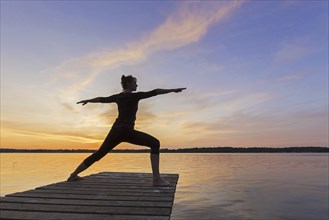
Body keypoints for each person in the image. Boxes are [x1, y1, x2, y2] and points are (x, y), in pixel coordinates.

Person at [67, 75, 186, 186]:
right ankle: (156, 179)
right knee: (155, 143)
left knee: (98, 154)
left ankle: (73, 175)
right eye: (135, 83)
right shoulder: (135, 96)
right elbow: (155, 92)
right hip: (126, 131)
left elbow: (102, 99)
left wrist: (88, 100)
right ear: (129, 84)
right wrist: (172, 90)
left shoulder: (118, 96)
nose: (137, 85)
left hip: (115, 131)